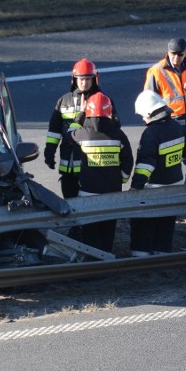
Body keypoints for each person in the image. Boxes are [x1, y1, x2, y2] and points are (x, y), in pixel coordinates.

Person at [66, 92, 133, 253]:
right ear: (109, 111)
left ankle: (94, 260)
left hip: (88, 192)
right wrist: (121, 179)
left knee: (90, 230)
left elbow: (68, 136)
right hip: (112, 192)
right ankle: (107, 254)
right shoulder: (118, 134)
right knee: (109, 228)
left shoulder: (82, 133)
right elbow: (128, 160)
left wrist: (80, 115)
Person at [44, 58, 120, 199]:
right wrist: (49, 151)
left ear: (94, 79)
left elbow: (115, 127)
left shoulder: (103, 100)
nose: (84, 83)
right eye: (81, 79)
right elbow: (54, 130)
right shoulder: (63, 101)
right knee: (69, 198)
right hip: (68, 164)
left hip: (90, 165)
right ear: (74, 79)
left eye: (88, 79)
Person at [143, 37, 186, 184]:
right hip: (170, 126)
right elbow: (148, 98)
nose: (176, 58)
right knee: (170, 166)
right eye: (173, 54)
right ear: (168, 52)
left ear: (185, 53)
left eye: (180, 54)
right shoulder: (156, 71)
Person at [129, 90, 186, 255]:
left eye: (142, 115)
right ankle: (162, 252)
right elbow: (185, 151)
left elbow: (145, 164)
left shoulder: (151, 133)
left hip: (154, 187)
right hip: (176, 183)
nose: (142, 119)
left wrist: (136, 187)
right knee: (167, 220)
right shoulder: (177, 126)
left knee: (144, 221)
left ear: (150, 113)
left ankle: (140, 253)